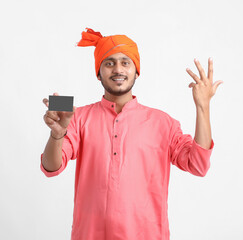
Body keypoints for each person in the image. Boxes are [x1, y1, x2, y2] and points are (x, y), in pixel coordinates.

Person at [41, 28, 223, 240]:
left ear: (137, 71)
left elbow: (199, 165)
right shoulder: (77, 116)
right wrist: (57, 134)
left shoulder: (162, 122)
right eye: (109, 63)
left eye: (125, 62)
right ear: (98, 72)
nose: (118, 69)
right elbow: (50, 167)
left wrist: (203, 107)